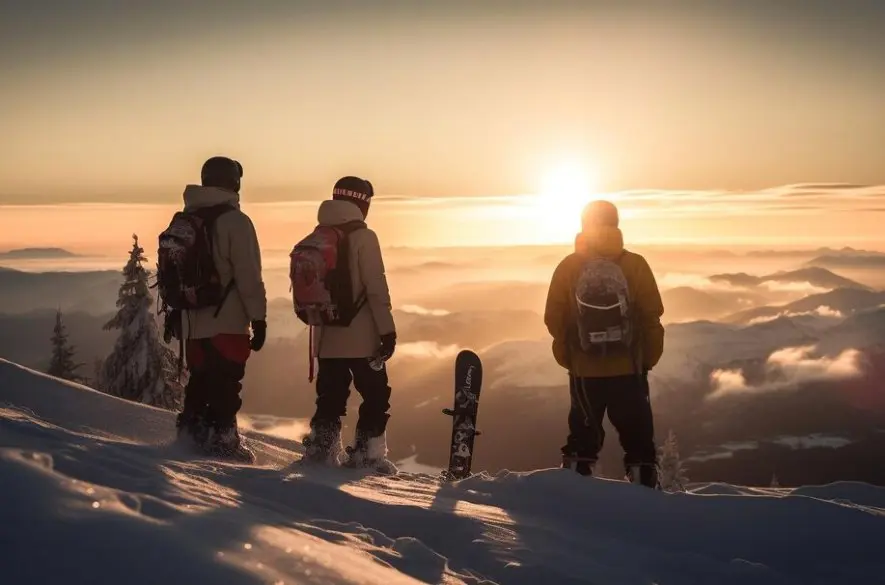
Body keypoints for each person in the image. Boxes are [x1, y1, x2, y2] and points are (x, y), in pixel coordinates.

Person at [543, 199, 664, 488]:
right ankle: (646, 497)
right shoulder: (635, 264)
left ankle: (573, 495)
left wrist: (570, 357)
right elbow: (652, 314)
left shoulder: (569, 266)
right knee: (638, 439)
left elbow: (553, 318)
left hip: (585, 370)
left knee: (582, 439)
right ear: (616, 223)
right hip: (629, 368)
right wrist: (647, 358)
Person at [298, 176, 397, 470]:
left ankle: (321, 451)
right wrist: (387, 331)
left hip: (326, 335)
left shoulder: (318, 235)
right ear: (362, 202)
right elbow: (376, 288)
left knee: (330, 396)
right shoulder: (364, 237)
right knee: (376, 395)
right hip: (362, 336)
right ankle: (367, 455)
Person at [172, 155, 268, 459]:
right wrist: (259, 318)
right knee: (226, 385)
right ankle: (224, 444)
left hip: (191, 322)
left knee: (199, 382)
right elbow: (248, 276)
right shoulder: (236, 222)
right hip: (226, 321)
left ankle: (189, 440)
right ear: (234, 183)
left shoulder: (185, 220)